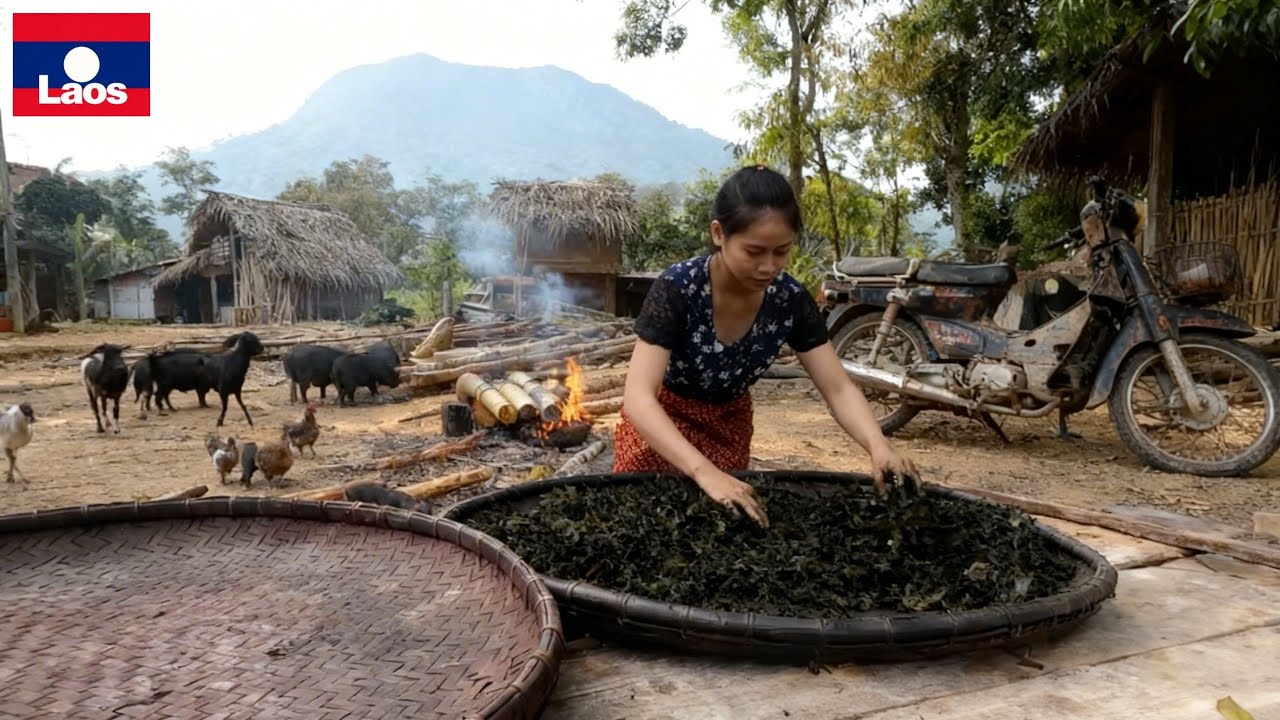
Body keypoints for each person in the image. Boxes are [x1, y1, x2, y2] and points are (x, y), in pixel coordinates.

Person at [614, 165, 919, 527]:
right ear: (718, 233)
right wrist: (704, 471)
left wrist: (877, 443)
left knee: (719, 529)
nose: (768, 267)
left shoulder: (789, 299)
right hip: (662, 428)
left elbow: (837, 388)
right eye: (754, 251)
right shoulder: (678, 288)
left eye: (781, 252)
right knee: (645, 525)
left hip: (728, 427)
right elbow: (638, 398)